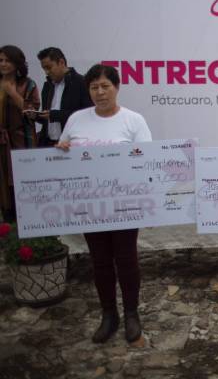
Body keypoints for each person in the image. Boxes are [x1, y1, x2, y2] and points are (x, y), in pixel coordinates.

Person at [57, 64, 152, 344]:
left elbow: (146, 159)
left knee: (126, 258)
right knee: (99, 261)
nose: (100, 92)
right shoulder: (76, 119)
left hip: (125, 203)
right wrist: (62, 151)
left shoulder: (133, 120)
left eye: (105, 86)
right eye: (94, 87)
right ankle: (109, 315)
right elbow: (63, 153)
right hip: (90, 205)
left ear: (117, 87)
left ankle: (132, 313)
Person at [0, 45, 40, 222]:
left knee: (22, 182)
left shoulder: (28, 84)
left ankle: (27, 222)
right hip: (1, 143)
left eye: (7, 60)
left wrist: (12, 93)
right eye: (0, 60)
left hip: (22, 141)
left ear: (17, 63)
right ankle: (7, 223)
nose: (3, 64)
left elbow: (33, 114)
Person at [31, 47, 92, 146]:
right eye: (44, 69)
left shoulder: (81, 83)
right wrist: (36, 115)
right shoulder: (47, 85)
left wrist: (55, 115)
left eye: (49, 67)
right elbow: (47, 119)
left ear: (61, 62)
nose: (46, 72)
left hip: (72, 144)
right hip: (48, 143)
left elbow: (87, 114)